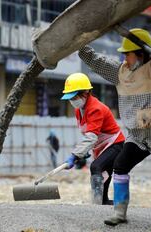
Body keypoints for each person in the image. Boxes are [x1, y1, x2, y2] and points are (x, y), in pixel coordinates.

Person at [78, 18, 151, 231]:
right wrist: (79, 46)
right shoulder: (120, 73)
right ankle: (119, 213)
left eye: (127, 54)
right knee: (120, 166)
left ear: (141, 53)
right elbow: (96, 61)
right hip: (137, 136)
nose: (124, 57)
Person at [61, 72, 125, 205]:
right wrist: (82, 153)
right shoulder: (79, 110)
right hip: (101, 146)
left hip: (115, 144)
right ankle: (105, 203)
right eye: (70, 98)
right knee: (102, 174)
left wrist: (74, 155)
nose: (72, 101)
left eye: (74, 97)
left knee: (96, 167)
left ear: (85, 92)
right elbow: (89, 134)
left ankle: (95, 205)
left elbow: (91, 136)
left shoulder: (96, 108)